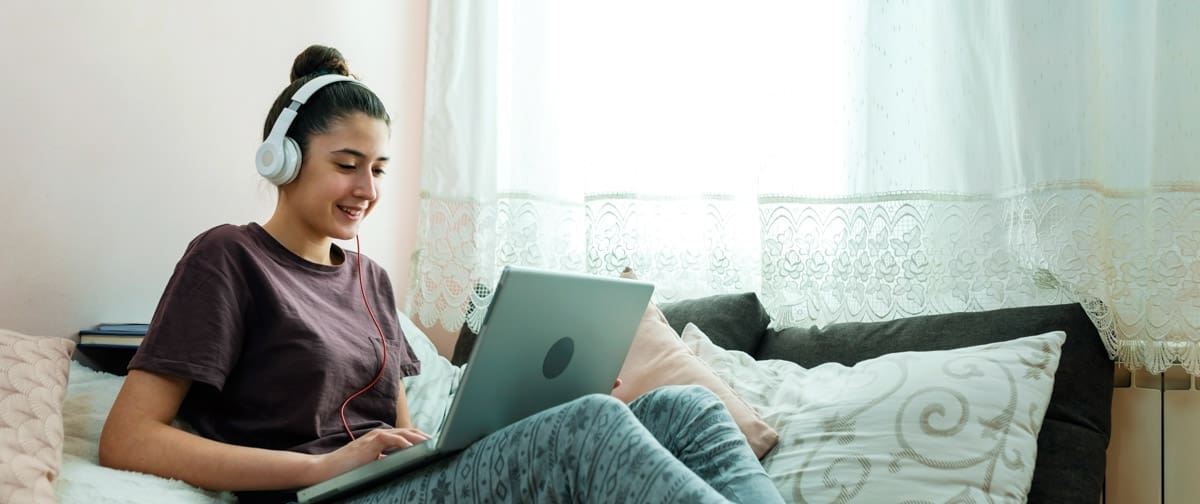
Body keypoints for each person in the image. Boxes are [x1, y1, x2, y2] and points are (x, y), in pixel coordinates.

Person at [99, 44, 783, 504]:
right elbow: (127, 437)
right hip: (323, 494)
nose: (367, 187)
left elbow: (402, 431)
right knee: (595, 428)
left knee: (684, 407)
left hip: (397, 480)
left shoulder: (372, 281)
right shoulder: (227, 258)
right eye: (347, 164)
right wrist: (321, 466)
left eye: (379, 169)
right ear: (282, 158)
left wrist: (535, 412)